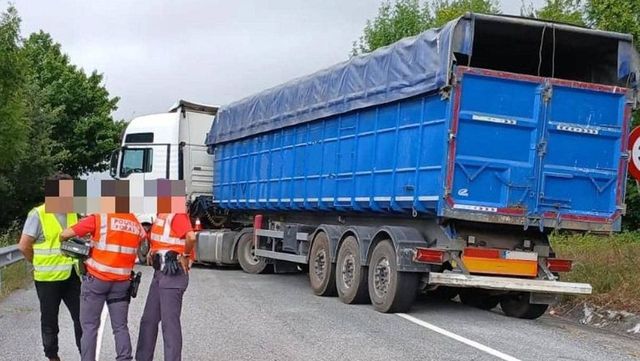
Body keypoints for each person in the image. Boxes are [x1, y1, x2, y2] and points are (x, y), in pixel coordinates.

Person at [60, 213, 146, 361]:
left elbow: (65, 234)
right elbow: (144, 243)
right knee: (120, 327)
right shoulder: (135, 222)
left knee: (89, 328)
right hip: (121, 282)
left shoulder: (100, 218)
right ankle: (125, 358)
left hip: (96, 280)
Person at [17, 173, 82, 361]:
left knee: (82, 319)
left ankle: (85, 354)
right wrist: (36, 262)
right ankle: (52, 356)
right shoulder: (38, 214)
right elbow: (24, 245)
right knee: (50, 322)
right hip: (47, 279)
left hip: (72, 276)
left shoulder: (73, 212)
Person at [135, 213, 196, 361]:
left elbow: (191, 237)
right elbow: (160, 239)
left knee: (169, 325)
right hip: (160, 273)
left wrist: (186, 255)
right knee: (149, 320)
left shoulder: (176, 214)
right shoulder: (161, 215)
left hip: (173, 273)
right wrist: (152, 250)